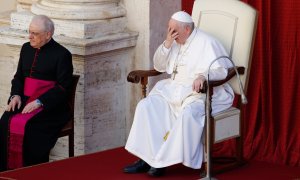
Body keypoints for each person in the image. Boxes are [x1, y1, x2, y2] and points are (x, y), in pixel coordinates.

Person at [123, 11, 234, 177]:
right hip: (172, 89)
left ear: (187, 30)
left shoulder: (208, 42)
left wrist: (204, 76)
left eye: (173, 30)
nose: (170, 33)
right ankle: (145, 159)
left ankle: (161, 162)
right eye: (169, 29)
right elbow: (159, 66)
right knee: (146, 106)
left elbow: (222, 70)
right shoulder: (174, 41)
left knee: (188, 114)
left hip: (197, 92)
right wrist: (167, 44)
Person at [0, 15, 73, 171]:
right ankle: (5, 171)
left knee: (31, 128)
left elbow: (63, 88)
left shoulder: (62, 54)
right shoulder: (26, 48)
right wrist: (15, 95)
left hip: (50, 106)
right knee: (5, 121)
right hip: (25, 99)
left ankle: (34, 172)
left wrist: (40, 102)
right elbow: (19, 77)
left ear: (48, 34)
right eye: (29, 32)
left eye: (35, 33)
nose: (30, 37)